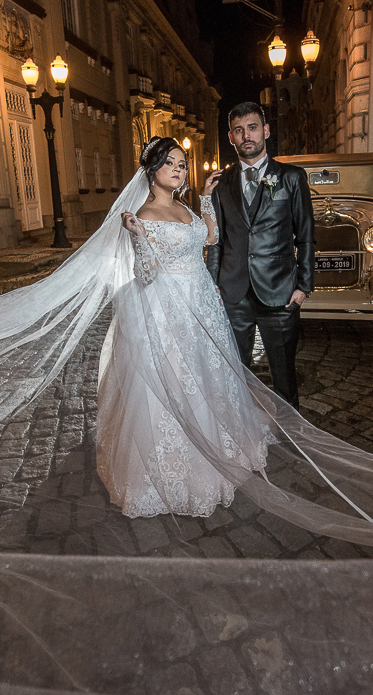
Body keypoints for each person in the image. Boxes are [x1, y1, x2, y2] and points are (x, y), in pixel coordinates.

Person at [96, 136, 273, 518]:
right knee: (174, 380)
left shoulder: (183, 209)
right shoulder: (143, 215)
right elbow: (144, 275)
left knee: (208, 375)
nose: (178, 170)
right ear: (151, 170)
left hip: (201, 303)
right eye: (170, 164)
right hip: (166, 308)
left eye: (181, 164)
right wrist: (138, 237)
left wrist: (206, 200)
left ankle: (217, 447)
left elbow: (208, 237)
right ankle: (170, 471)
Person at [206, 102, 315, 408]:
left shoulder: (291, 178)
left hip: (280, 293)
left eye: (252, 128)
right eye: (239, 130)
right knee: (235, 375)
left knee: (284, 376)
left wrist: (304, 286)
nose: (246, 136)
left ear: (265, 131)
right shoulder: (220, 184)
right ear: (231, 137)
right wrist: (213, 285)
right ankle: (240, 436)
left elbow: (305, 235)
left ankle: (292, 439)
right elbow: (217, 241)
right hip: (233, 294)